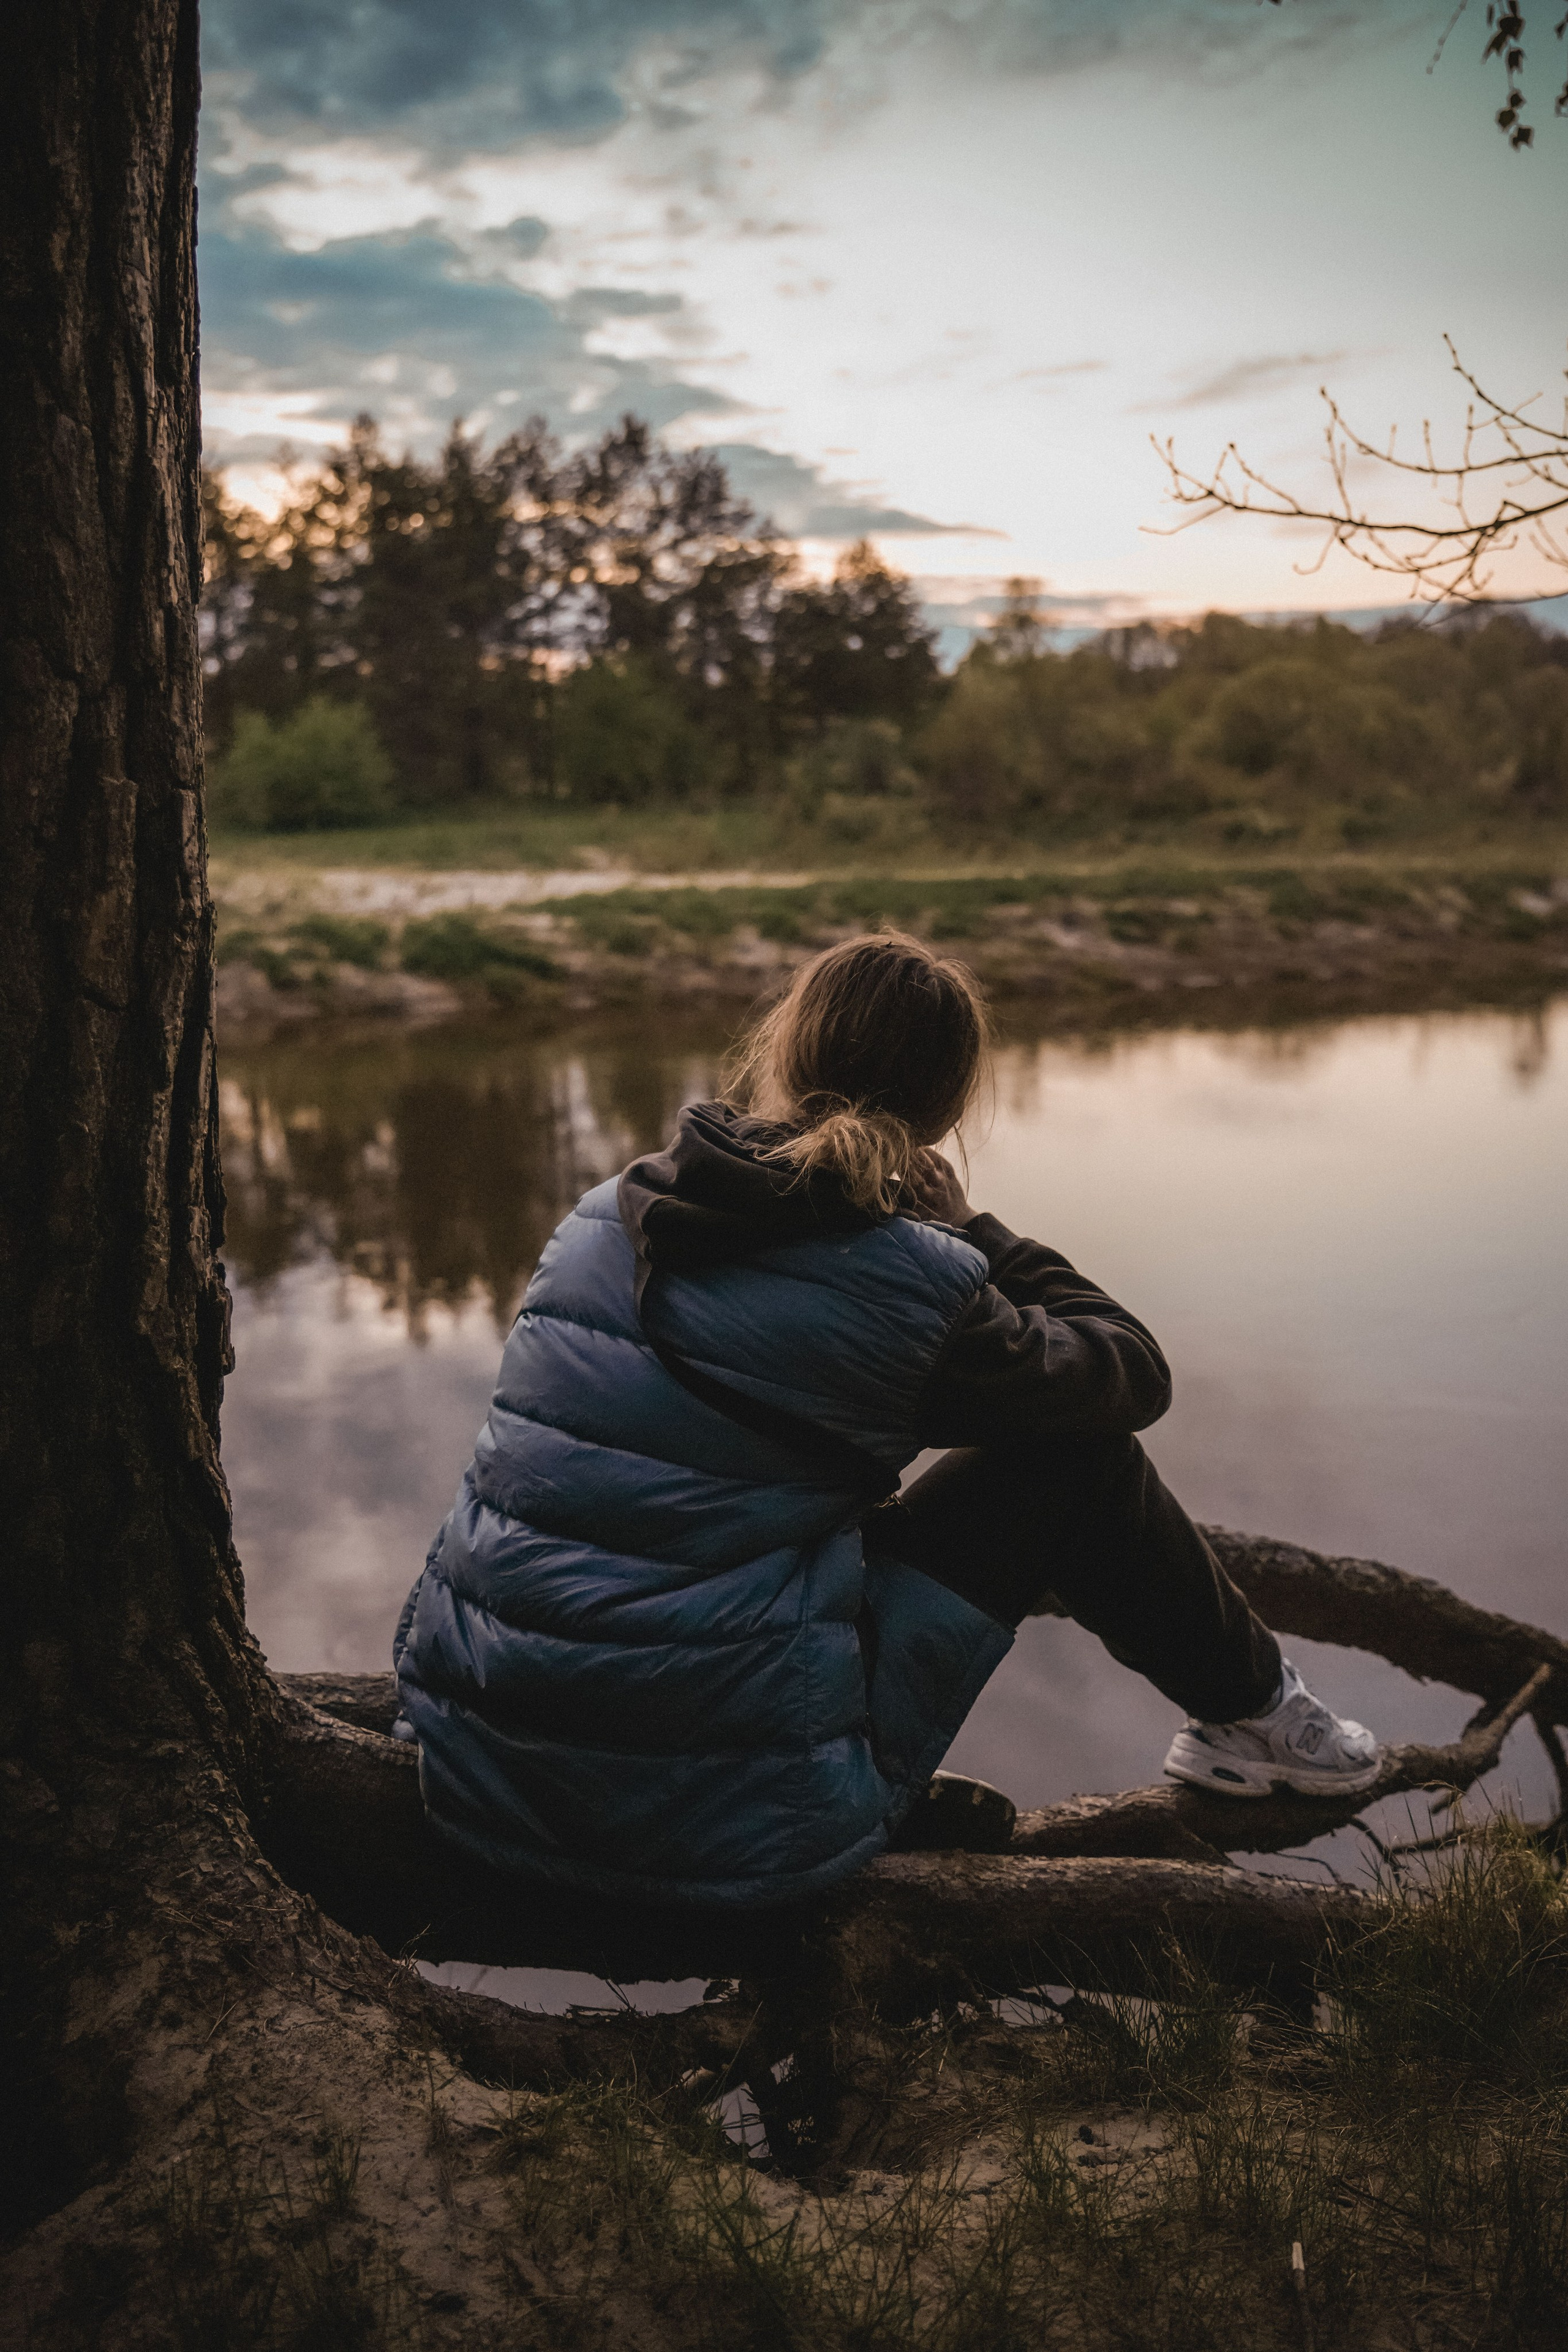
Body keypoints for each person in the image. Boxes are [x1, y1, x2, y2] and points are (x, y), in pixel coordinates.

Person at [393, 933, 1378, 1907]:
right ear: (945, 1114)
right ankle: (1267, 1726)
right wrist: (977, 1236)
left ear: (783, 1054)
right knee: (1080, 1465)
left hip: (472, 1752)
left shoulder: (605, 1213)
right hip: (730, 1820)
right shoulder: (911, 1288)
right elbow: (1128, 1370)